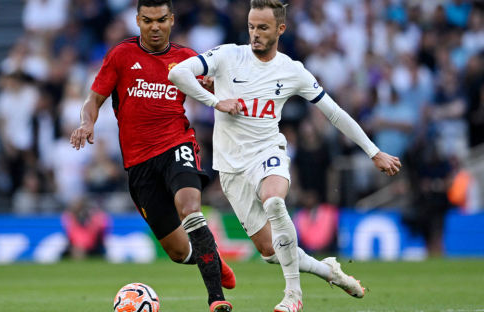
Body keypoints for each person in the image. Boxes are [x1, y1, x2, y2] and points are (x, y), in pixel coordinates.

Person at [168, 0, 402, 311]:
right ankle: (327, 269)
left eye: (263, 28)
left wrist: (373, 152)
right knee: (269, 251)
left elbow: (334, 113)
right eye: (251, 26)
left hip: (268, 151)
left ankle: (293, 296)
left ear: (280, 29)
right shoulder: (227, 56)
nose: (255, 34)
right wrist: (215, 102)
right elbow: (179, 73)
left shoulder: (292, 71)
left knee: (274, 201)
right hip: (231, 166)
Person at [69, 1, 238, 311]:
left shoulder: (187, 59)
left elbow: (215, 86)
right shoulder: (121, 55)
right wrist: (86, 122)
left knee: (190, 207)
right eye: (147, 20)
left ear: (172, 20)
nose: (155, 27)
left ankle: (216, 299)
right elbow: (94, 100)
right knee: (176, 251)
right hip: (139, 164)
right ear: (137, 20)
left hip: (177, 145)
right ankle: (211, 256)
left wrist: (215, 86)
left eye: (161, 19)